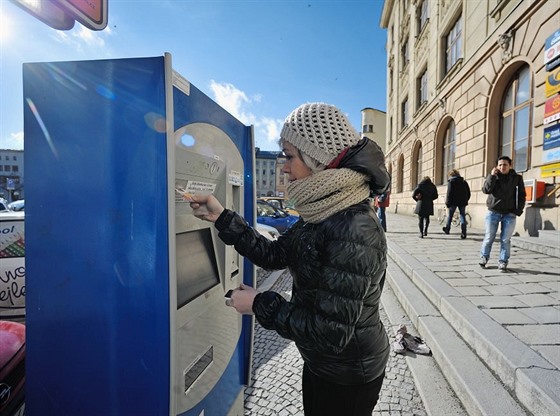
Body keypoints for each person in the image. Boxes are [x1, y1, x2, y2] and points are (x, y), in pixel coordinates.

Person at [190, 102, 391, 416]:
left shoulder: (354, 227)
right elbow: (275, 254)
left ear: (318, 160)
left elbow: (330, 333)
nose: (283, 166)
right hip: (323, 364)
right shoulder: (323, 209)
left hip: (349, 374)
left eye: (289, 155)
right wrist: (222, 218)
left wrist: (259, 303)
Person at [479, 156, 526, 272]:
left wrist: (518, 210)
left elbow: (521, 195)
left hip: (509, 214)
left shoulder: (517, 178)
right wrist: (492, 176)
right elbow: (486, 190)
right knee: (489, 237)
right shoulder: (494, 177)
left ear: (510, 166)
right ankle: (484, 257)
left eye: (505, 165)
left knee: (505, 239)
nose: (502, 167)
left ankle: (503, 261)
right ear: (497, 166)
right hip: (493, 212)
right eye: (500, 165)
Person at [442, 169, 471, 239]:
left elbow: (449, 193)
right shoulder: (464, 182)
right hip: (462, 202)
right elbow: (468, 192)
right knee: (462, 216)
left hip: (453, 202)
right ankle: (464, 232)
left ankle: (447, 229)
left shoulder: (451, 182)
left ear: (451, 175)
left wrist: (447, 203)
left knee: (450, 215)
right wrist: (466, 199)